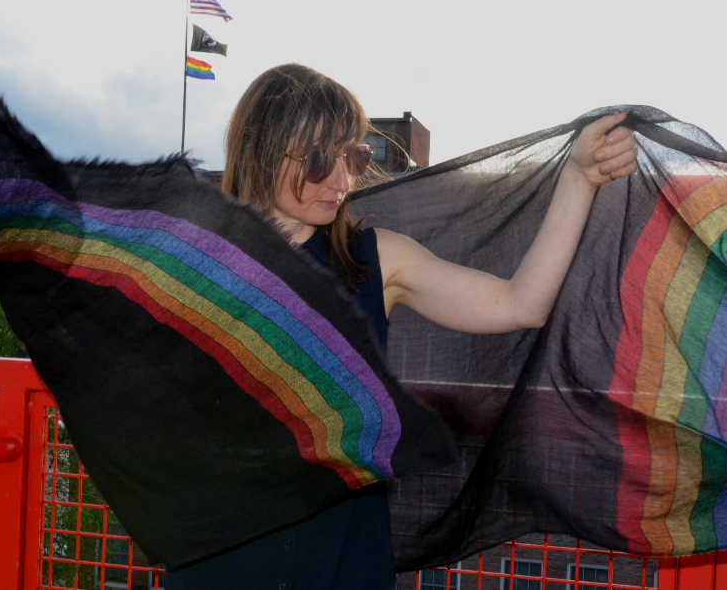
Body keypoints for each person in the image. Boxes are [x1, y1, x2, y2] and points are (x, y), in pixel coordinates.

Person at [162, 63, 637, 590]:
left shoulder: (376, 261)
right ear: (263, 151)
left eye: (354, 155)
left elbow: (519, 303)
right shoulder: (190, 266)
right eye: (321, 161)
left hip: (343, 566)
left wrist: (578, 179)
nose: (344, 180)